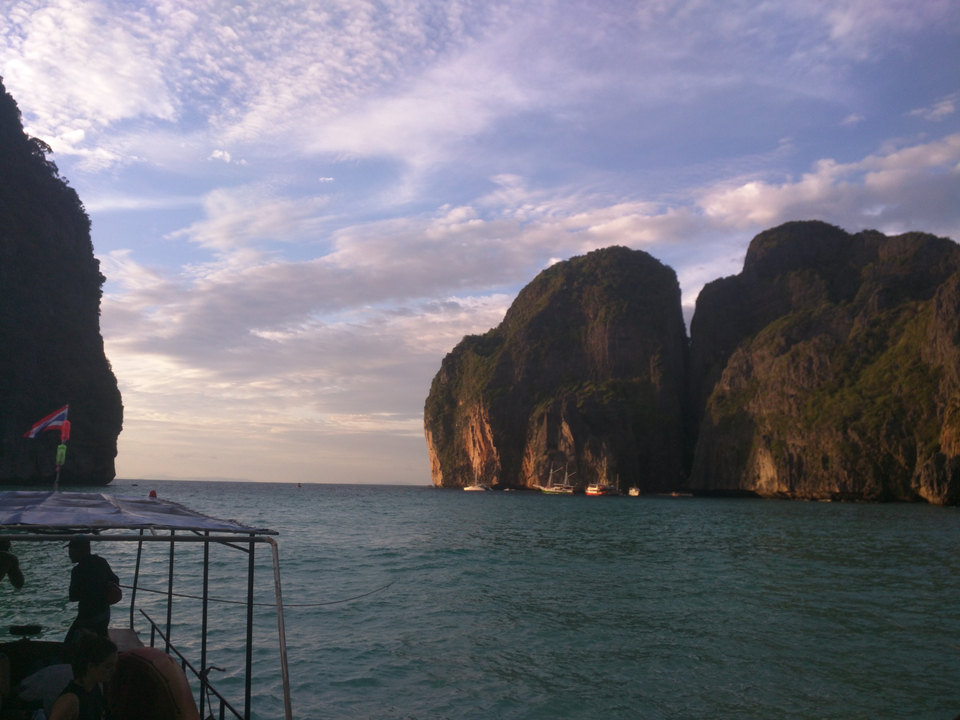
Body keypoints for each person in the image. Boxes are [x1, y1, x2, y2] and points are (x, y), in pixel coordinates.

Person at [49, 632, 117, 720]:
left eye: (114, 665)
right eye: (108, 666)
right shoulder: (70, 701)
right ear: (91, 666)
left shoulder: (97, 686)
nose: (113, 670)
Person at [64, 539, 119, 646]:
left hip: (88, 615)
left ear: (81, 551)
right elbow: (115, 580)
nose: (70, 554)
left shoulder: (77, 570)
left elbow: (73, 596)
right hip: (104, 612)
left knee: (71, 643)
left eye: (72, 551)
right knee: (101, 638)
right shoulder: (101, 561)